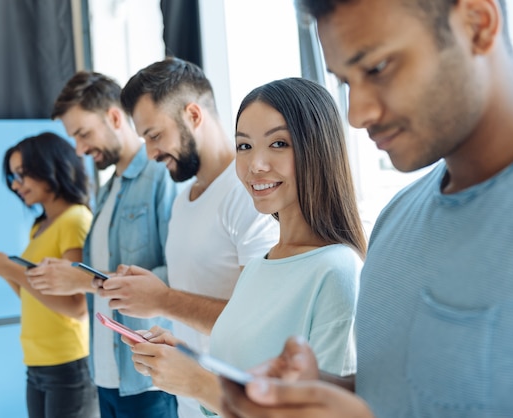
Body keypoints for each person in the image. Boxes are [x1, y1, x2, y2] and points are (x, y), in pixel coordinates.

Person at [218, 0, 513, 417]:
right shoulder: (397, 218)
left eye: (378, 68)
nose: (357, 113)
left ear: (476, 23)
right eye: (346, 81)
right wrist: (319, 390)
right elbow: (401, 394)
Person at [123, 77, 367, 415]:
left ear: (318, 148)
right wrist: (189, 363)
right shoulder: (256, 268)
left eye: (278, 143)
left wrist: (197, 382)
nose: (256, 165)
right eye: (244, 146)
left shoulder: (337, 271)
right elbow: (237, 384)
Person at [95, 57, 279, 417]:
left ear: (194, 115)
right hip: (190, 404)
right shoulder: (182, 202)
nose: (150, 153)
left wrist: (162, 300)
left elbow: (258, 321)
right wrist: (148, 288)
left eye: (155, 135)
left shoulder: (251, 194)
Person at [26, 71, 180, 418]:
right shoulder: (106, 192)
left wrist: (83, 280)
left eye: (83, 134)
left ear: (113, 117)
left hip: (149, 380)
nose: (79, 149)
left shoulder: (160, 177)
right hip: (106, 378)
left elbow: (176, 276)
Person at [0, 132, 98, 418]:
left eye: (22, 174)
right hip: (37, 365)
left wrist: (10, 268)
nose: (16, 185)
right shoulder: (39, 227)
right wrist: (4, 269)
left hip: (68, 365)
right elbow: (33, 294)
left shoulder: (75, 219)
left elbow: (77, 307)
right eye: (13, 177)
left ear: (50, 167)